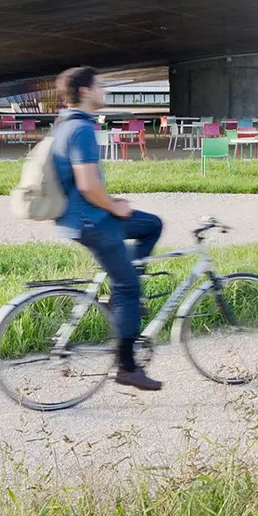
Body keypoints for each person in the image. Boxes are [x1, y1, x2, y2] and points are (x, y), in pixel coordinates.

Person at [51, 66, 165, 391]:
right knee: (128, 286)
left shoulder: (65, 125)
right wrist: (113, 205)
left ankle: (125, 296)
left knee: (152, 225)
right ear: (86, 91)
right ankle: (127, 367)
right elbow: (87, 185)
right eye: (100, 86)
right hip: (94, 221)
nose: (105, 91)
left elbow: (79, 182)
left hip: (78, 217)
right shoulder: (81, 130)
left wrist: (111, 201)